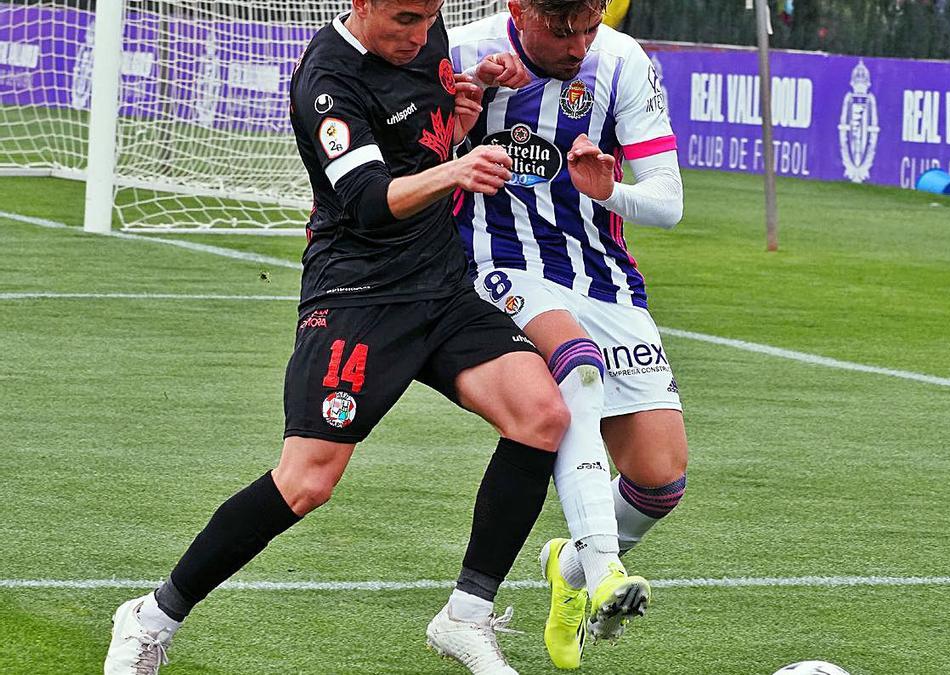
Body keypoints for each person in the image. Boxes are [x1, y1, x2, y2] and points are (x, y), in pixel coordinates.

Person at [103, 2, 571, 674]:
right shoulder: (327, 80)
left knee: (542, 414)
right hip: (358, 295)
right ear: (361, 4)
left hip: (440, 284)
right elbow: (369, 201)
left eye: (428, 18)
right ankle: (150, 616)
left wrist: (471, 105)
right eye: (405, 19)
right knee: (306, 481)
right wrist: (459, 171)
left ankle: (465, 615)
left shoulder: (422, 31)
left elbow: (429, 131)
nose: (419, 35)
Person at [449, 0, 687, 668]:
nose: (580, 44)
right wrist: (469, 111)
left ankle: (571, 566)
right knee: (576, 365)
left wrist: (609, 191)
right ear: (518, 10)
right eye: (562, 31)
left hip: (603, 276)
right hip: (496, 263)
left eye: (588, 26)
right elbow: (414, 162)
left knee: (659, 480)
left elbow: (668, 202)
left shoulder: (620, 60)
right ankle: (607, 568)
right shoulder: (463, 52)